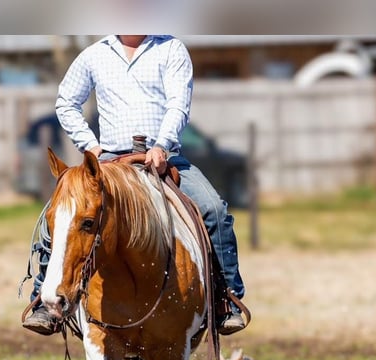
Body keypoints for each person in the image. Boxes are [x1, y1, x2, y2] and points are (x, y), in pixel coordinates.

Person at [23, 35, 246, 336]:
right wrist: (90, 145)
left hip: (165, 156)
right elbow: (66, 103)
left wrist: (162, 145)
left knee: (213, 209)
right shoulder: (94, 55)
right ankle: (43, 299)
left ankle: (226, 299)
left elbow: (178, 104)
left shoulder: (170, 49)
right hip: (111, 161)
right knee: (63, 212)